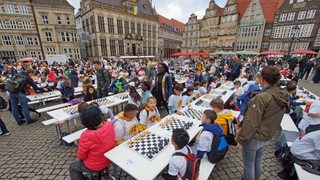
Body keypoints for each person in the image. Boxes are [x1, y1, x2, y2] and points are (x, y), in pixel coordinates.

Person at [236, 66, 289, 180]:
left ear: (262, 79)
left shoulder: (261, 97)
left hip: (255, 136)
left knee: (249, 165)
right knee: (257, 160)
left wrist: (241, 139)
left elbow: (251, 122)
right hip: (267, 134)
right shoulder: (281, 94)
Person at [69, 106, 115, 180]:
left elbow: (81, 156)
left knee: (73, 167)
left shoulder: (86, 135)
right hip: (109, 159)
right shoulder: (109, 125)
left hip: (95, 165)